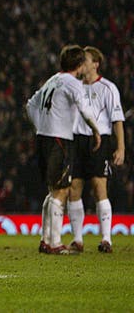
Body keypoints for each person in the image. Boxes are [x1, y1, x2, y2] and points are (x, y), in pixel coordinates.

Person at [26, 44, 101, 255]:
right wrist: (96, 130)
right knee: (61, 190)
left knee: (53, 191)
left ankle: (45, 239)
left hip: (44, 137)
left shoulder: (53, 79)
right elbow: (85, 109)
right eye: (84, 61)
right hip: (59, 139)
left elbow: (30, 105)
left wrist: (40, 126)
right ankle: (55, 243)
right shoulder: (72, 82)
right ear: (78, 65)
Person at [67, 46, 125, 254]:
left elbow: (117, 120)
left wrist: (121, 148)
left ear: (96, 64)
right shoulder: (73, 86)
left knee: (99, 187)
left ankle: (106, 239)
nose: (82, 63)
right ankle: (77, 240)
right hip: (76, 140)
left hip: (99, 141)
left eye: (86, 60)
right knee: (74, 188)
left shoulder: (108, 88)